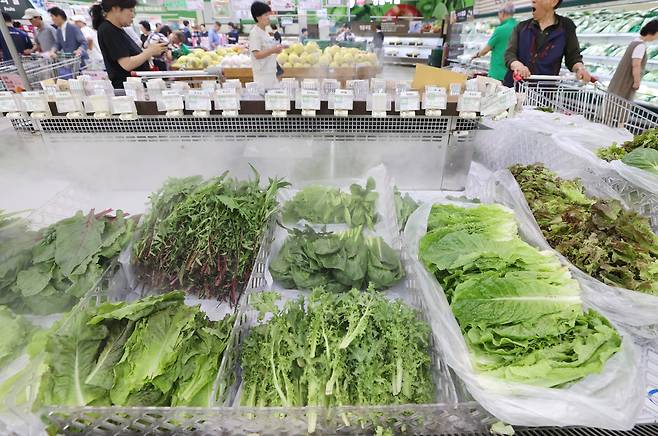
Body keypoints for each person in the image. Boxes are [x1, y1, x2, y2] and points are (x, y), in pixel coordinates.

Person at [504, 0, 591, 87]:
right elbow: (509, 54)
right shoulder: (522, 27)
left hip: (544, 92)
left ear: (554, 2)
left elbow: (573, 58)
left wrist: (580, 69)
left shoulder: (566, 27)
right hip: (515, 88)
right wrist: (517, 65)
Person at [90, 0, 167, 88]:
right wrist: (149, 52)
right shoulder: (108, 30)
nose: (133, 15)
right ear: (116, 9)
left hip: (135, 87)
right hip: (128, 90)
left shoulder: (117, 29)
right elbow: (127, 64)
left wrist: (150, 51)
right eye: (130, 10)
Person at [608, 20, 658, 101]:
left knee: (613, 104)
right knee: (621, 106)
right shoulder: (640, 46)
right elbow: (636, 65)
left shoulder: (635, 41)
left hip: (619, 81)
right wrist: (637, 82)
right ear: (653, 32)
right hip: (626, 82)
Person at [472, 2, 517, 82]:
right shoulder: (519, 26)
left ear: (502, 13)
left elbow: (486, 50)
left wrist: (477, 55)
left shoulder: (500, 29)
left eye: (498, 14)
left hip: (498, 74)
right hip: (512, 74)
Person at [249, 1, 283, 91]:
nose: (269, 18)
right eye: (266, 15)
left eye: (269, 15)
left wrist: (276, 50)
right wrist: (273, 50)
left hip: (271, 74)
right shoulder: (255, 33)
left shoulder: (265, 32)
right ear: (258, 17)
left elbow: (268, 51)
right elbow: (257, 55)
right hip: (262, 77)